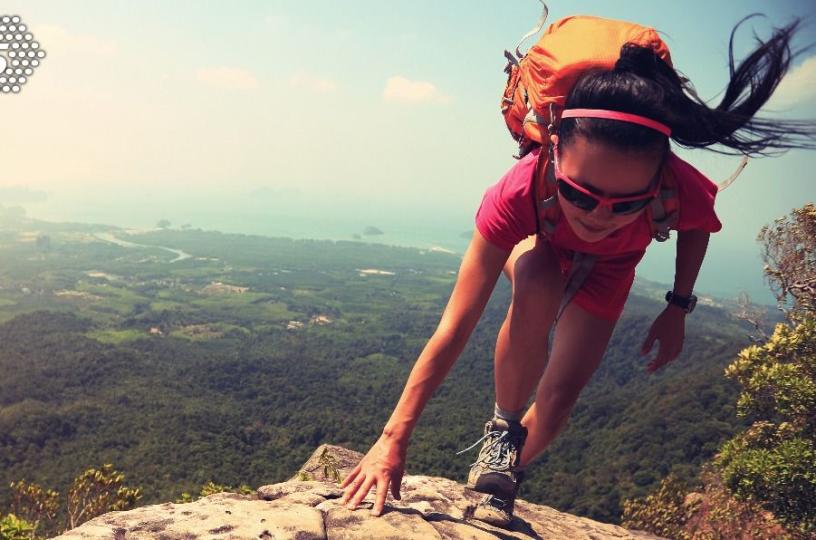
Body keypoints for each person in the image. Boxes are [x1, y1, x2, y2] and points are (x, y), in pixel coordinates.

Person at [338, 17, 816, 526]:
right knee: (540, 279)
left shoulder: (678, 186)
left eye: (627, 203)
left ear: (657, 179)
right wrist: (393, 439)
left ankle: (502, 472)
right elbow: (455, 326)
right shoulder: (520, 188)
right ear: (554, 153)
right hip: (539, 240)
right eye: (580, 193)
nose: (599, 215)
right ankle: (502, 428)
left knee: (561, 395)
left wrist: (678, 306)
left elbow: (698, 224)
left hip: (614, 268)